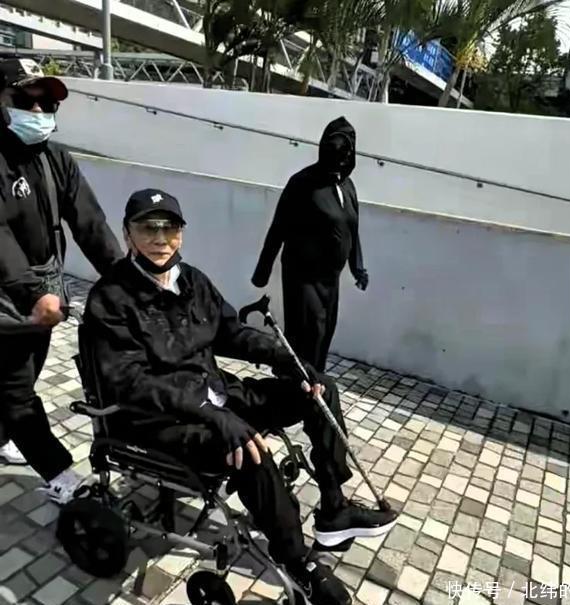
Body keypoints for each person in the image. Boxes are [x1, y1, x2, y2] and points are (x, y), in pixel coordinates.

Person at [84, 189, 397, 605]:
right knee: (251, 448)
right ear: (127, 233)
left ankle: (334, 507)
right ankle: (297, 563)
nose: (160, 238)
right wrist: (211, 414)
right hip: (160, 420)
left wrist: (289, 361)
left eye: (170, 228)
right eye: (147, 228)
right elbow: (129, 383)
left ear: (181, 233)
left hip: (218, 395)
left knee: (316, 390)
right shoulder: (110, 298)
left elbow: (231, 331)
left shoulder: (192, 281)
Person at [0, 58, 123, 500]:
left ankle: (4, 435)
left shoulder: (56, 158)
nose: (39, 111)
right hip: (9, 295)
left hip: (44, 293)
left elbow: (89, 222)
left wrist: (126, 278)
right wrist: (33, 292)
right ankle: (59, 476)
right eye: (27, 99)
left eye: (48, 102)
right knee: (16, 391)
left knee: (26, 374)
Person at [251, 116, 368, 373]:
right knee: (307, 332)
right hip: (302, 275)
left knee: (325, 332)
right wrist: (262, 272)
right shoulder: (303, 183)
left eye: (345, 151)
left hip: (331, 279)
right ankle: (293, 383)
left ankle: (313, 381)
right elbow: (278, 228)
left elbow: (352, 229)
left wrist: (357, 268)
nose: (340, 155)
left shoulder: (348, 187)